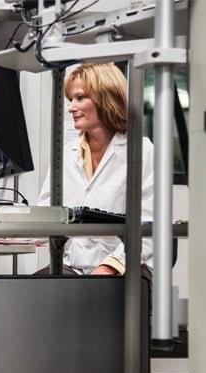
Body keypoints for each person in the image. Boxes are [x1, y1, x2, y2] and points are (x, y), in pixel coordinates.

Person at [37, 63, 153, 277]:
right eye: (71, 99)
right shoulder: (66, 153)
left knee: (90, 291)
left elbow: (150, 225)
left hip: (126, 267)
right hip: (73, 266)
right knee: (30, 289)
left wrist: (110, 266)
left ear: (106, 98)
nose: (71, 107)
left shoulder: (142, 151)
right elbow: (44, 211)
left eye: (80, 98)